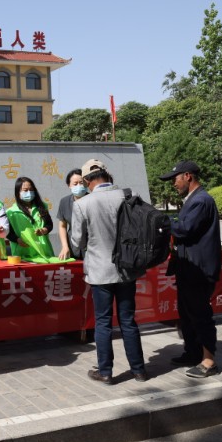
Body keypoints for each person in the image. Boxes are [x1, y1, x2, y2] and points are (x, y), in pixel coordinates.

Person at [71, 159, 148, 385]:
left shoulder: (83, 204)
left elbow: (77, 242)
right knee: (128, 320)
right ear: (107, 174)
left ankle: (105, 372)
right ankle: (139, 371)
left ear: (86, 181)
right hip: (127, 269)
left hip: (99, 271)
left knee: (103, 322)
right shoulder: (129, 194)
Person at [159, 160, 222, 378]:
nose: (173, 184)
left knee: (200, 314)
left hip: (199, 270)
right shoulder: (192, 200)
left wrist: (162, 223)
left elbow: (185, 230)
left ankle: (209, 361)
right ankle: (193, 352)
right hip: (188, 268)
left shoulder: (201, 201)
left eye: (174, 179)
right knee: (187, 314)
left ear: (188, 176)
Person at [6, 176, 55, 262]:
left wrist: (44, 230)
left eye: (31, 190)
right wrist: (18, 240)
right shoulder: (11, 212)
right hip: (22, 252)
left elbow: (49, 224)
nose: (29, 192)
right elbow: (8, 233)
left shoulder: (42, 207)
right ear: (18, 192)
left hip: (44, 251)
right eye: (25, 190)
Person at [56, 168, 87, 260]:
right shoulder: (64, 202)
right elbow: (62, 226)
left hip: (91, 247)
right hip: (73, 246)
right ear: (69, 185)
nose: (79, 186)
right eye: (75, 183)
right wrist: (65, 246)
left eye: (81, 183)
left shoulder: (92, 199)